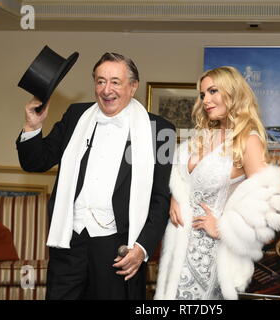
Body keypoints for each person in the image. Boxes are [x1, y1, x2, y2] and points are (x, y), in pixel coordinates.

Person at [16, 52, 175, 299]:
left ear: (133, 87)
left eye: (115, 81)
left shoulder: (161, 131)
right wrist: (32, 126)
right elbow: (35, 162)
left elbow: (161, 197)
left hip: (120, 249)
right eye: (100, 81)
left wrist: (141, 249)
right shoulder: (75, 116)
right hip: (69, 242)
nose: (106, 89)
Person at [154, 66, 280, 300]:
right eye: (202, 94)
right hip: (178, 247)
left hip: (210, 255)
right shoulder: (201, 135)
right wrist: (175, 196)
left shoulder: (248, 140)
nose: (206, 99)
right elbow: (180, 176)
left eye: (213, 91)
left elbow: (270, 212)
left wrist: (224, 229)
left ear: (233, 92)